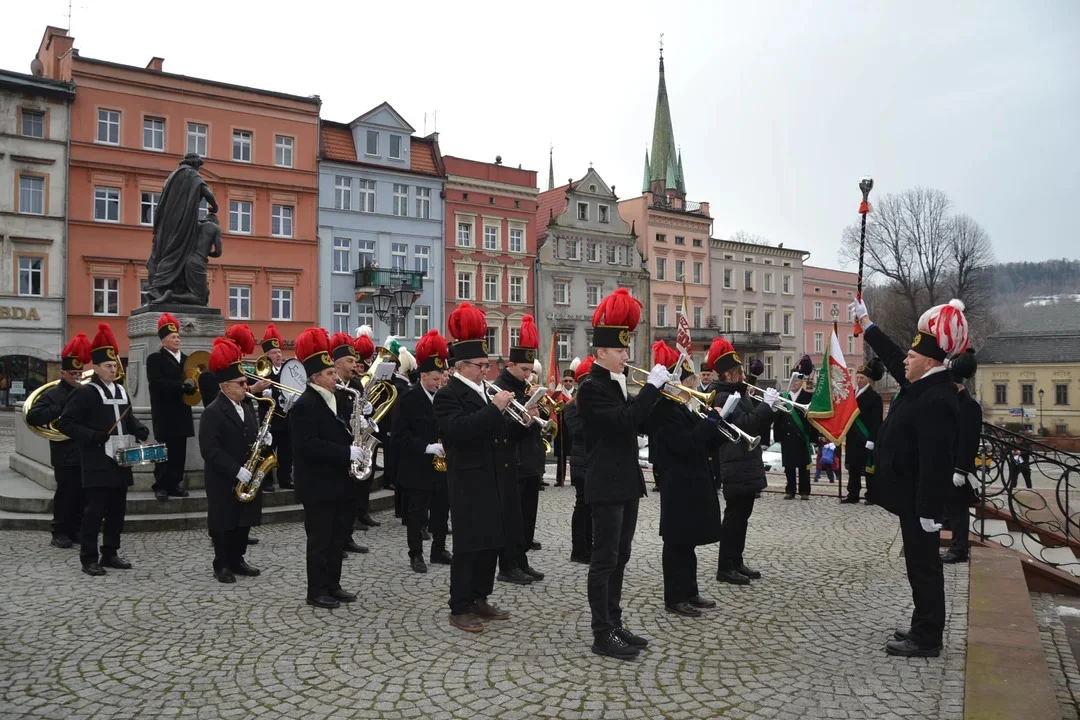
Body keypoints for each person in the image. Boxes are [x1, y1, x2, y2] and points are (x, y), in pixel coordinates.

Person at [850, 296, 966, 658]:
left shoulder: (937, 397)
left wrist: (930, 511)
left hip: (922, 502)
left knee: (925, 566)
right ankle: (922, 622)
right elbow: (892, 354)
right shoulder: (925, 381)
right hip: (911, 498)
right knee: (918, 565)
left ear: (929, 361)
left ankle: (927, 636)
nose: (905, 361)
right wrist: (867, 323)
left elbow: (936, 461)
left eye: (912, 358)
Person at [577, 288, 670, 660]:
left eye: (627, 349)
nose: (627, 356)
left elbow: (640, 424)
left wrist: (660, 394)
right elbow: (623, 422)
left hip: (626, 483)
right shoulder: (591, 388)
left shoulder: (615, 384)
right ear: (600, 353)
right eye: (620, 351)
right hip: (606, 484)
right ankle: (602, 633)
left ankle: (614, 621)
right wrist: (649, 389)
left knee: (621, 556)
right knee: (604, 560)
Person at [433, 302, 517, 633]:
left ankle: (481, 596)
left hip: (494, 476)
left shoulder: (485, 391)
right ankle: (460, 606)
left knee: (491, 541)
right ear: (462, 365)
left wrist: (521, 418)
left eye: (487, 364)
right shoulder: (448, 394)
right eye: (481, 365)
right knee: (469, 545)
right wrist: (494, 409)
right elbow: (458, 432)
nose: (487, 370)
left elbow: (496, 431)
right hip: (469, 479)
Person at [56, 323, 150, 576]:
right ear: (95, 367)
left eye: (115, 365)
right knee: (94, 512)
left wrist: (139, 428)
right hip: (97, 461)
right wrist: (93, 437)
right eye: (108, 366)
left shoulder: (120, 390)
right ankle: (89, 557)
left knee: (118, 511)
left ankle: (110, 552)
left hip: (121, 459)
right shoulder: (85, 393)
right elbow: (65, 423)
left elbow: (128, 417)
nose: (113, 369)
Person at [646, 341, 724, 618]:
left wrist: (717, 425)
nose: (686, 387)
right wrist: (708, 424)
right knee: (677, 543)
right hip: (677, 484)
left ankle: (690, 590)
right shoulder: (664, 412)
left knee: (687, 542)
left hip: (692, 482)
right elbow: (685, 444)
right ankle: (675, 597)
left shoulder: (683, 409)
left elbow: (703, 444)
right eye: (682, 381)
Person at [289, 328, 362, 609]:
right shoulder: (304, 405)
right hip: (318, 484)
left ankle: (333, 584)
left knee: (336, 538)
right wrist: (346, 451)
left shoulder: (337, 398)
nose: (336, 377)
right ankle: (316, 590)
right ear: (315, 377)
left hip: (339, 480)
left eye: (334, 372)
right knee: (319, 540)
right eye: (330, 373)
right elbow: (308, 446)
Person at [707, 337, 776, 586]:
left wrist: (769, 407)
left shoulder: (738, 392)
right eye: (738, 372)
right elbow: (745, 424)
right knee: (734, 518)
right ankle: (725, 566)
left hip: (746, 462)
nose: (743, 374)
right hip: (734, 463)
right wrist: (766, 407)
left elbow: (755, 422)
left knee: (742, 516)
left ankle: (736, 561)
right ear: (727, 374)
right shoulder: (724, 397)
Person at [198, 337, 266, 583]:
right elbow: (209, 449)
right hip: (223, 477)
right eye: (241, 383)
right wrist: (235, 470)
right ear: (226, 386)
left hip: (246, 473)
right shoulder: (212, 412)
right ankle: (222, 563)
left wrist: (262, 440)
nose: (246, 386)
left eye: (245, 382)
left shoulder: (245, 407)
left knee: (242, 520)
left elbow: (248, 436)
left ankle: (238, 559)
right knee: (224, 521)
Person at [393, 330, 452, 573]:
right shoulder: (408, 398)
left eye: (442, 378)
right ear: (424, 376)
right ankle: (415, 553)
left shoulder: (445, 397)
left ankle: (439, 549)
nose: (440, 383)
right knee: (416, 513)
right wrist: (426, 447)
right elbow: (399, 436)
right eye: (436, 379)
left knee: (441, 510)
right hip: (417, 465)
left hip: (441, 465)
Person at [26, 333, 91, 549]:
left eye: (80, 373)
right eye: (73, 374)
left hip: (83, 448)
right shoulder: (53, 394)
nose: (77, 377)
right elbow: (33, 416)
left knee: (83, 493)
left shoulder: (86, 392)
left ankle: (77, 530)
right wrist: (62, 408)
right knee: (66, 494)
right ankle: (60, 532)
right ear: (62, 373)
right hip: (64, 451)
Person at [494, 315, 546, 585]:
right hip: (512, 462)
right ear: (510, 364)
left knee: (527, 517)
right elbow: (502, 430)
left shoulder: (525, 386)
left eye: (531, 370)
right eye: (524, 370)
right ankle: (507, 565)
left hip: (529, 461)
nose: (528, 375)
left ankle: (522, 560)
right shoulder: (501, 388)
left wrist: (538, 408)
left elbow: (537, 423)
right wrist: (525, 416)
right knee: (512, 518)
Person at [145, 153, 218, 304]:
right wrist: (214, 206)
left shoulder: (172, 176)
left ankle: (165, 288)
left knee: (166, 250)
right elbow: (207, 193)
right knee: (175, 252)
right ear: (194, 164)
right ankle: (158, 287)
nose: (199, 168)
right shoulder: (191, 174)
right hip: (182, 222)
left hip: (167, 222)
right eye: (199, 165)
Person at [145, 312, 195, 501]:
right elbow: (157, 382)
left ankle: (175, 484)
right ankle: (161, 485)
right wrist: (181, 386)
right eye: (173, 337)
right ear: (164, 341)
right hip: (164, 412)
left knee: (179, 451)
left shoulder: (187, 359)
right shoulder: (155, 358)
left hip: (182, 411)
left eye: (178, 336)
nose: (177, 339)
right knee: (163, 451)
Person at [328, 332, 368, 556]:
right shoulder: (333, 387)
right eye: (351, 361)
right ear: (338, 364)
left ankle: (348, 536)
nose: (355, 365)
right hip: (339, 447)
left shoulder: (356, 385)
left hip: (355, 444)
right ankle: (337, 540)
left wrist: (365, 417)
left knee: (351, 495)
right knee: (338, 500)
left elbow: (360, 407)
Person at [942, 349, 982, 564]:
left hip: (959, 468)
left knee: (958, 511)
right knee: (950, 510)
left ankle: (959, 549)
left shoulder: (969, 406)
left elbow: (969, 441)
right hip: (947, 465)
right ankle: (956, 546)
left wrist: (961, 470)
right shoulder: (952, 403)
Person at [840, 358, 885, 504]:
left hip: (866, 438)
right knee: (853, 467)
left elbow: (876, 421)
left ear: (868, 380)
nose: (859, 380)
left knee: (868, 469)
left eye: (862, 378)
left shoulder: (875, 397)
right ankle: (853, 493)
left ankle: (871, 495)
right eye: (857, 377)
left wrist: (872, 439)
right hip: (853, 437)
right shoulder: (852, 395)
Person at [563, 356, 594, 563]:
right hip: (581, 464)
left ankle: (589, 546)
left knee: (593, 508)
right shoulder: (572, 407)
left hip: (594, 463)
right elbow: (577, 432)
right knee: (582, 506)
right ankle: (579, 550)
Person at [774, 358, 816, 501]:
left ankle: (804, 491)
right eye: (792, 382)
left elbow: (813, 420)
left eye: (797, 381)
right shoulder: (783, 397)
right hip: (787, 436)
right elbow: (778, 419)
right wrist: (778, 437)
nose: (794, 384)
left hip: (802, 436)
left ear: (802, 382)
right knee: (789, 466)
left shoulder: (808, 397)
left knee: (804, 466)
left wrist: (814, 438)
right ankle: (790, 490)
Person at [259, 324, 293, 492]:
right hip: (270, 417)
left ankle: (285, 478)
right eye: (274, 352)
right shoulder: (262, 371)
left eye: (279, 351)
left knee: (286, 449)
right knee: (267, 449)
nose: (278, 354)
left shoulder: (287, 370)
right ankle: (266, 481)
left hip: (285, 416)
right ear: (266, 355)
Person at [552, 363, 577, 487]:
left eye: (570, 381)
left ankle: (575, 479)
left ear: (574, 382)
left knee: (574, 455)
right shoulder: (558, 394)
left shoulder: (577, 394)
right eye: (565, 380)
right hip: (561, 428)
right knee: (561, 456)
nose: (567, 383)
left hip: (573, 428)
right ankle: (559, 479)